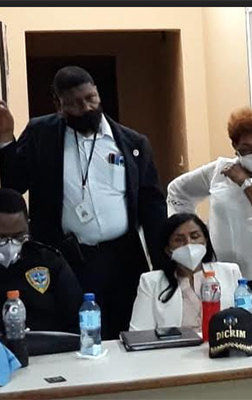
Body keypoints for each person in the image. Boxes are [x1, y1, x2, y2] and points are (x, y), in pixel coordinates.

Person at [0, 66, 167, 339]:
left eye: (91, 98)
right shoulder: (41, 134)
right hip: (69, 258)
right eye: (75, 104)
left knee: (130, 331)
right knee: (81, 334)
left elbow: (152, 206)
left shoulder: (132, 143)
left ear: (98, 92)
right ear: (58, 105)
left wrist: (163, 264)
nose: (86, 108)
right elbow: (14, 184)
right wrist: (6, 138)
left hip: (123, 257)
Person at [167, 107, 252, 324]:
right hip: (224, 270)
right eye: (245, 149)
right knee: (226, 325)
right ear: (234, 146)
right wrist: (194, 233)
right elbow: (178, 191)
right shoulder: (220, 170)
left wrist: (245, 182)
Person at [129, 213, 243, 331]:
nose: (189, 244)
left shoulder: (230, 272)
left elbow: (249, 322)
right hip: (175, 343)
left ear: (205, 241)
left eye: (195, 236)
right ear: (168, 249)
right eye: (179, 240)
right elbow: (139, 333)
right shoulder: (151, 283)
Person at [0, 188, 82, 334]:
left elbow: (76, 317)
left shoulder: (48, 262)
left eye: (18, 236)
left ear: (27, 226)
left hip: (48, 345)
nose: (10, 245)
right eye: (2, 237)